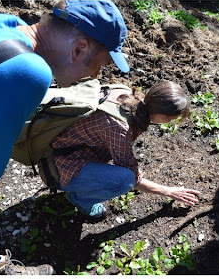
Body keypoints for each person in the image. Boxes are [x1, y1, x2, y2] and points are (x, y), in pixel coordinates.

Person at [0, 0, 130, 275]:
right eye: (99, 66)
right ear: (78, 49)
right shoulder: (28, 72)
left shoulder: (3, 24)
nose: (96, 76)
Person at [51, 81, 200, 220]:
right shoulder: (119, 127)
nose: (169, 123)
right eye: (170, 119)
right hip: (62, 166)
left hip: (66, 147)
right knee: (124, 180)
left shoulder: (126, 94)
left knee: (125, 174)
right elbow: (134, 180)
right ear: (160, 116)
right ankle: (78, 197)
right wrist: (168, 191)